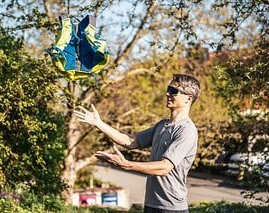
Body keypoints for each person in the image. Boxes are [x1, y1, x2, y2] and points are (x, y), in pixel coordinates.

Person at [74, 74, 201, 213]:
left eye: (173, 91)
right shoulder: (163, 125)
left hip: (172, 208)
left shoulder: (186, 130)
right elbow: (130, 142)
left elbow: (165, 167)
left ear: (189, 98)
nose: (167, 93)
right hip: (151, 204)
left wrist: (126, 165)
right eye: (168, 89)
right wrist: (98, 123)